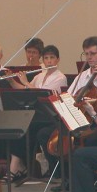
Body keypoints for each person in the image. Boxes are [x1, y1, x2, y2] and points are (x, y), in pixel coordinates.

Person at [7, 45, 68, 180]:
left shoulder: (60, 77)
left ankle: (18, 168)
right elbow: (25, 89)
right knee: (17, 128)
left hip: (52, 118)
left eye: (52, 58)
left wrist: (26, 82)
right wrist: (12, 81)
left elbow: (42, 94)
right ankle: (18, 166)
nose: (49, 61)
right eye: (46, 58)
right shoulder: (39, 76)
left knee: (33, 131)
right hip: (38, 116)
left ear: (58, 60)